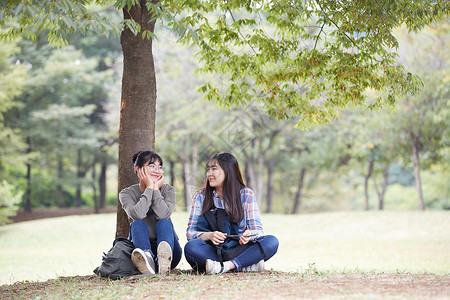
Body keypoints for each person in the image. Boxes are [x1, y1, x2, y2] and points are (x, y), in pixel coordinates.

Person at [184, 152, 279, 274]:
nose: (209, 174)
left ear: (228, 171)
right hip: (213, 251)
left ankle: (225, 267)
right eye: (208, 169)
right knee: (191, 248)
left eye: (214, 169)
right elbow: (190, 233)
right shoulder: (201, 196)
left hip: (239, 249)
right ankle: (244, 265)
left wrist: (249, 235)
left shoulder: (246, 195)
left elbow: (258, 231)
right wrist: (210, 236)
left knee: (271, 241)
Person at [119, 150, 182, 276]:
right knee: (137, 223)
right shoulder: (126, 194)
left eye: (160, 167)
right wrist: (149, 189)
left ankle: (163, 262)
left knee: (164, 222)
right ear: (138, 169)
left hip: (170, 252)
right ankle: (147, 259)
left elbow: (163, 214)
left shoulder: (168, 190)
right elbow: (138, 214)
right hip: (141, 255)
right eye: (152, 166)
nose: (157, 170)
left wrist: (156, 190)